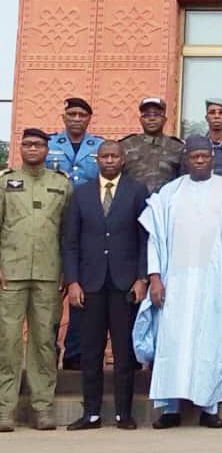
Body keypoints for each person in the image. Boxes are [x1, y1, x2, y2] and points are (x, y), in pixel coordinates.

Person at [132, 134, 222, 428]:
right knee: (174, 342)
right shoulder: (169, 193)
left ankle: (209, 407)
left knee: (211, 341)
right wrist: (155, 278)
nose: (199, 161)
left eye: (204, 156)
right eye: (194, 157)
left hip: (213, 280)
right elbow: (155, 240)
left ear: (212, 158)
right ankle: (170, 409)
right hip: (177, 282)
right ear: (186, 160)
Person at [61, 140, 149, 431]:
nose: (110, 160)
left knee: (124, 353)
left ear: (123, 160)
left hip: (125, 284)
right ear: (97, 159)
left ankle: (125, 413)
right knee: (91, 352)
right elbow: (70, 242)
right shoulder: (81, 194)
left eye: (115, 156)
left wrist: (142, 278)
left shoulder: (137, 191)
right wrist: (72, 281)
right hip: (90, 284)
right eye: (105, 156)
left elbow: (144, 240)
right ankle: (92, 414)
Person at [0, 128, 71, 431]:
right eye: (27, 144)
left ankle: (43, 407)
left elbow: (69, 234)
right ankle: (5, 409)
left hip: (48, 273)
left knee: (44, 342)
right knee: (8, 341)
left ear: (47, 149)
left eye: (38, 145)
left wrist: (67, 272)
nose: (32, 149)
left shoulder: (61, 185)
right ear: (20, 147)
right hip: (11, 273)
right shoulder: (4, 182)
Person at [45, 96, 105, 371]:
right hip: (51, 223)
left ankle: (74, 353)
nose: (77, 119)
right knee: (48, 294)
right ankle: (46, 353)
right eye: (72, 114)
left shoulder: (100, 147)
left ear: (89, 119)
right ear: (64, 117)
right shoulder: (48, 144)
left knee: (80, 289)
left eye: (82, 115)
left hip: (84, 226)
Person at [119, 97, 184, 194]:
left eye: (157, 115)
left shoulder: (177, 147)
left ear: (165, 119)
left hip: (166, 202)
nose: (152, 119)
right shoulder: (125, 145)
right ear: (141, 120)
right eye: (146, 115)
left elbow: (184, 180)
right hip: (133, 203)